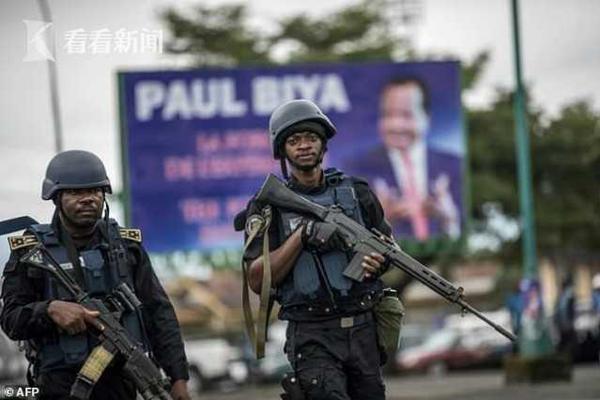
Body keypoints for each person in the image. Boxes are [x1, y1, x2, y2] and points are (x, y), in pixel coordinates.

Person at [0, 150, 191, 400]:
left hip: (120, 384)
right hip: (57, 385)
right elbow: (11, 319)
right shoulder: (31, 252)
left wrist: (178, 378)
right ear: (56, 198)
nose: (88, 199)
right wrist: (50, 310)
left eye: (95, 191)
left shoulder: (126, 247)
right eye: (75, 192)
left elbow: (159, 313)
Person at [240, 99, 395, 400]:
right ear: (282, 150)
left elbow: (388, 246)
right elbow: (257, 279)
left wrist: (380, 262)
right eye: (294, 140)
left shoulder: (357, 192)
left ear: (323, 145)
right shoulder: (268, 206)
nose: (304, 146)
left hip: (363, 328)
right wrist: (303, 235)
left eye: (311, 138)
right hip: (312, 335)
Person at [344, 77, 462, 240]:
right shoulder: (354, 168)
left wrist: (449, 221)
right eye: (388, 114)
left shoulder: (454, 165)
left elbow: (463, 232)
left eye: (406, 115)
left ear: (427, 117)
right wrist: (378, 221)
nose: (395, 125)